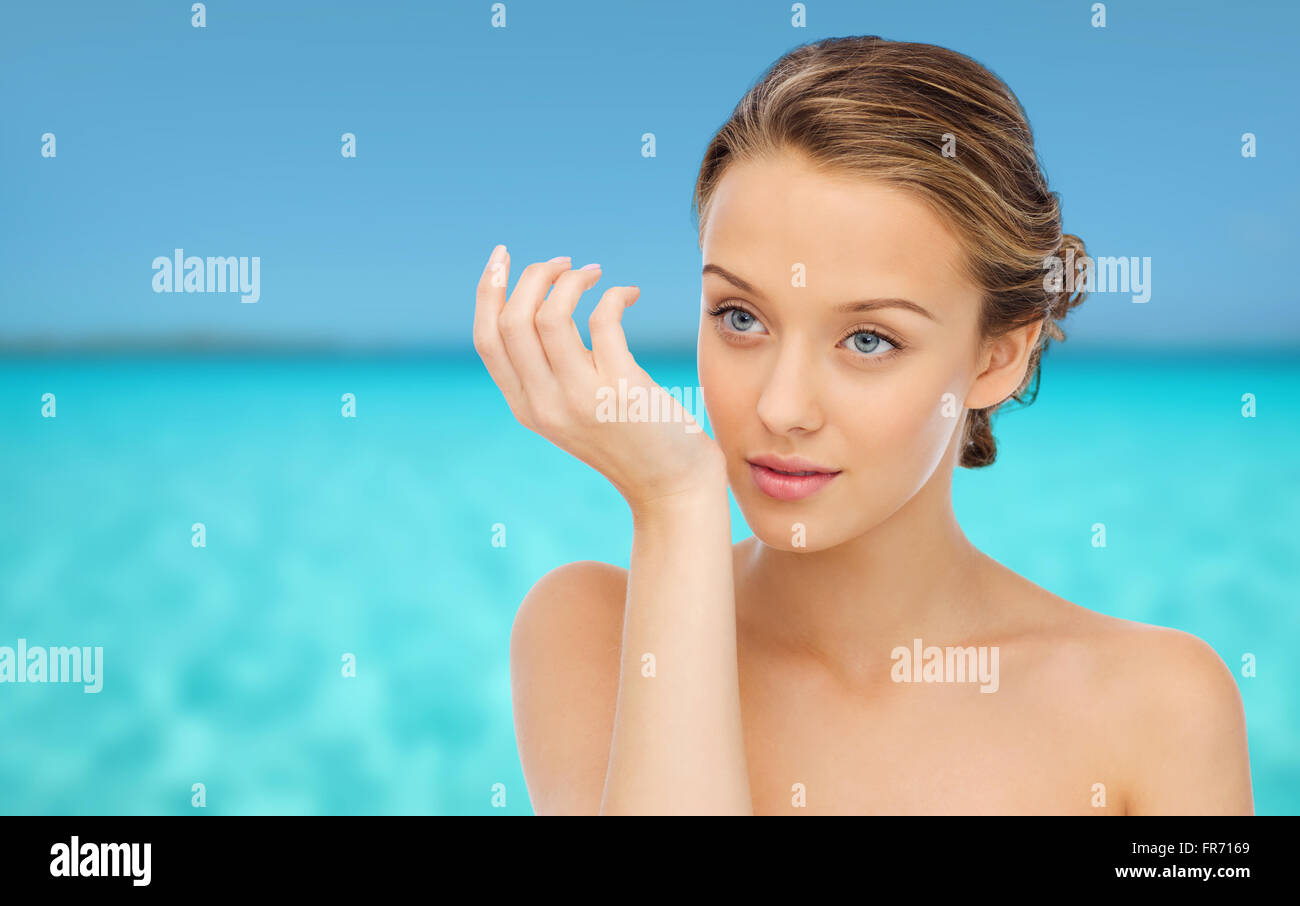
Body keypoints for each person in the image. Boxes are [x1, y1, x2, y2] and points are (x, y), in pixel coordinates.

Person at [472, 35, 1254, 815]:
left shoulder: (1162, 708)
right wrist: (677, 503)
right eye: (740, 317)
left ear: (997, 359)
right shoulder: (591, 633)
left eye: (869, 340)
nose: (781, 407)